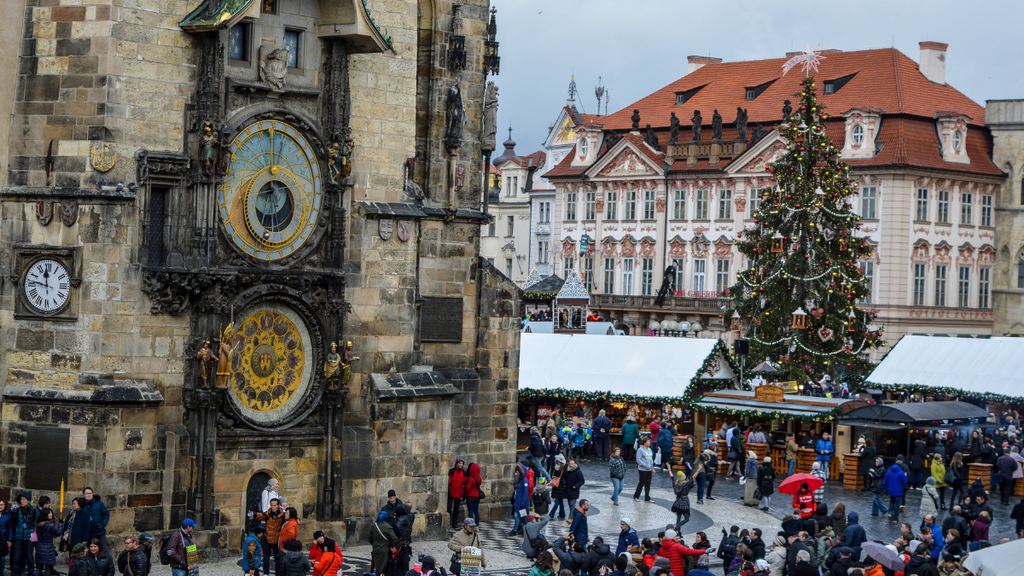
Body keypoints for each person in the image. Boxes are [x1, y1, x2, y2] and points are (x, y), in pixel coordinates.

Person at [253, 500, 285, 576]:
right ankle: (266, 573)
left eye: (274, 505)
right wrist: (254, 514)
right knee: (265, 558)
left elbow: (288, 519)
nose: (273, 507)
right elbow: (260, 516)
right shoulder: (268, 514)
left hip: (276, 540)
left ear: (278, 505)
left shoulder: (282, 515)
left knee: (277, 559)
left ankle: (278, 573)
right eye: (272, 505)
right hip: (267, 539)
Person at [11, 493, 37, 576]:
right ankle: (16, 573)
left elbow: (36, 522)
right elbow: (13, 523)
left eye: (24, 499)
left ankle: (30, 572)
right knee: (17, 557)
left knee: (29, 557)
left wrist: (31, 530)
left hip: (29, 536)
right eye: (21, 499)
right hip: (18, 536)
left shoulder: (34, 510)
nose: (22, 501)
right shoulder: (17, 510)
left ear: (28, 501)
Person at [33, 508, 61, 576]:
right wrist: (60, 525)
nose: (51, 514)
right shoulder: (50, 525)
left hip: (39, 547)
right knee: (47, 569)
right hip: (48, 549)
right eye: (50, 513)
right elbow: (58, 533)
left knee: (39, 569)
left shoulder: (38, 524)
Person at [82, 488, 110, 553]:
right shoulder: (82, 505)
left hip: (99, 530)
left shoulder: (99, 503)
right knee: (87, 550)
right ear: (84, 495)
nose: (89, 495)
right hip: (87, 532)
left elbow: (106, 514)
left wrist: (102, 525)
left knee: (104, 548)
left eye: (90, 493)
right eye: (87, 493)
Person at [511, 464, 531, 537]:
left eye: (518, 471)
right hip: (518, 503)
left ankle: (514, 530)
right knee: (523, 518)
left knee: (518, 516)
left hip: (521, 504)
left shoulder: (524, 481)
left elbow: (525, 493)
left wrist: (522, 504)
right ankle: (526, 530)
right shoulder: (520, 481)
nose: (517, 472)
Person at [448, 459, 466, 529]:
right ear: (456, 464)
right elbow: (449, 481)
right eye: (459, 463)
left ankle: (454, 522)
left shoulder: (464, 473)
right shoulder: (451, 471)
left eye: (462, 463)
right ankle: (448, 522)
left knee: (456, 509)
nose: (461, 465)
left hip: (459, 493)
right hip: (451, 492)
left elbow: (465, 483)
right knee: (449, 508)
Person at [549, 455, 568, 520]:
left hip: (561, 486)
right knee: (560, 500)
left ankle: (552, 513)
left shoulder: (565, 467)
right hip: (556, 486)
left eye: (559, 461)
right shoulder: (555, 466)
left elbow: (566, 477)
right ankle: (562, 514)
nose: (558, 463)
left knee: (557, 501)